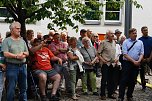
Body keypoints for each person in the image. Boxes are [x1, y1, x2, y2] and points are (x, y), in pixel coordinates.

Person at [2, 21, 29, 101]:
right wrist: (17, 56)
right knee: (11, 88)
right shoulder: (6, 41)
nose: (19, 30)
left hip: (23, 66)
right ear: (12, 30)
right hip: (12, 67)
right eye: (17, 28)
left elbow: (27, 52)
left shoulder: (22, 41)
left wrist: (23, 55)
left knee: (24, 87)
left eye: (20, 28)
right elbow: (5, 53)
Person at [118, 28, 144, 101]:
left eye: (136, 33)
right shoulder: (125, 42)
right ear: (130, 34)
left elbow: (142, 53)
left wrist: (138, 61)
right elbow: (125, 54)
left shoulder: (140, 42)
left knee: (133, 80)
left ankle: (129, 96)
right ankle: (121, 97)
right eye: (133, 33)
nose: (135, 34)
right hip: (127, 63)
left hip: (136, 63)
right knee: (124, 80)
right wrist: (134, 61)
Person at [97, 30, 116, 100]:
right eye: (111, 33)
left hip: (112, 64)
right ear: (107, 35)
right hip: (105, 64)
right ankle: (102, 94)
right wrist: (103, 60)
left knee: (111, 80)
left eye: (113, 33)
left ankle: (110, 94)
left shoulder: (114, 42)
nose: (113, 35)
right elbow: (98, 53)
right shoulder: (103, 42)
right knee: (104, 79)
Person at [138, 26, 152, 91]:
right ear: (142, 31)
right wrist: (142, 58)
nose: (146, 31)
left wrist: (150, 58)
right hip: (142, 58)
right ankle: (144, 86)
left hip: (150, 58)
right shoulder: (139, 40)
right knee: (142, 73)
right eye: (144, 30)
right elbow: (138, 50)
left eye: (147, 30)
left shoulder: (151, 39)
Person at [0, 34, 6, 100]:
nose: (1, 39)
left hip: (1, 71)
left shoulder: (2, 46)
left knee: (1, 88)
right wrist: (2, 65)